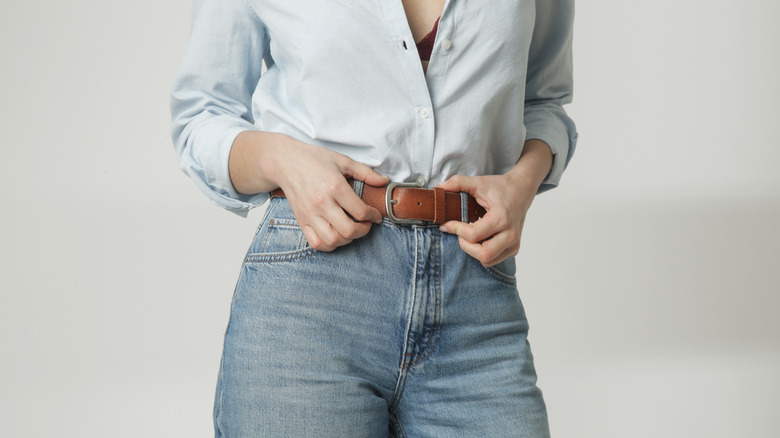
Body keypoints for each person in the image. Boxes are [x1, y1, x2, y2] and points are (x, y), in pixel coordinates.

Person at [171, 0, 577, 436]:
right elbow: (201, 118)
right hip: (312, 292)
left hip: (476, 292)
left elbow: (543, 102)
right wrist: (280, 159)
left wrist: (522, 183)